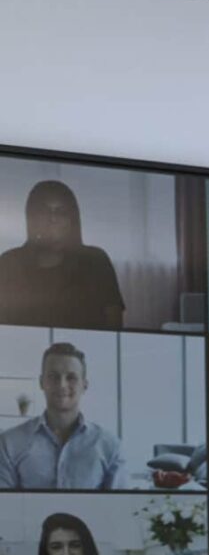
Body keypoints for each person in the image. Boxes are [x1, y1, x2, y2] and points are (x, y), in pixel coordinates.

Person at [0, 179, 123, 329]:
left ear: (72, 219)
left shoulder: (96, 260)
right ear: (32, 217)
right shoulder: (8, 263)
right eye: (45, 211)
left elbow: (115, 325)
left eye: (61, 211)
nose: (53, 218)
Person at [0, 343, 121, 490]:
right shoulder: (9, 443)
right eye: (53, 377)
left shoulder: (110, 446)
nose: (62, 385)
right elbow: (4, 508)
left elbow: (121, 510)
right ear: (41, 382)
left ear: (84, 385)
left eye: (71, 377)